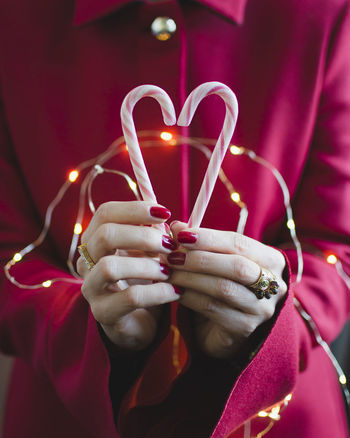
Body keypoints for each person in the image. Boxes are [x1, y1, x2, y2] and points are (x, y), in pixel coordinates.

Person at [0, 0, 349, 437]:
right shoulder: (13, 20)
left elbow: (337, 249)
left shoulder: (323, 13)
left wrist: (272, 312)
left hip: (281, 419)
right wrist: (82, 322)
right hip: (67, 415)